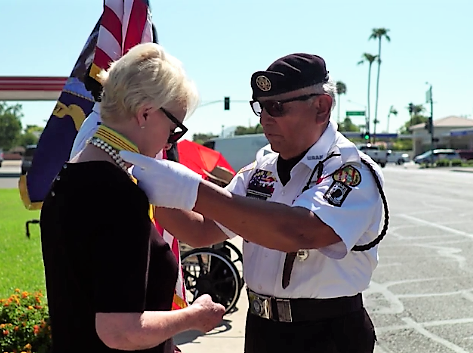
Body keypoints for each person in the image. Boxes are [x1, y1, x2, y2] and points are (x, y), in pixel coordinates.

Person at [119, 53, 389, 353]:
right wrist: (147, 185)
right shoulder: (260, 171)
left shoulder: (350, 171)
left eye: (277, 106)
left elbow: (301, 232)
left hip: (326, 334)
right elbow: (202, 231)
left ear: (321, 107)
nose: (265, 118)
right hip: (263, 329)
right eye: (261, 107)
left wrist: (193, 190)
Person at [40, 42, 225, 353]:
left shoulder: (70, 175)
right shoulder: (119, 195)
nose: (170, 141)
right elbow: (120, 331)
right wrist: (194, 316)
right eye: (174, 128)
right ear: (145, 113)